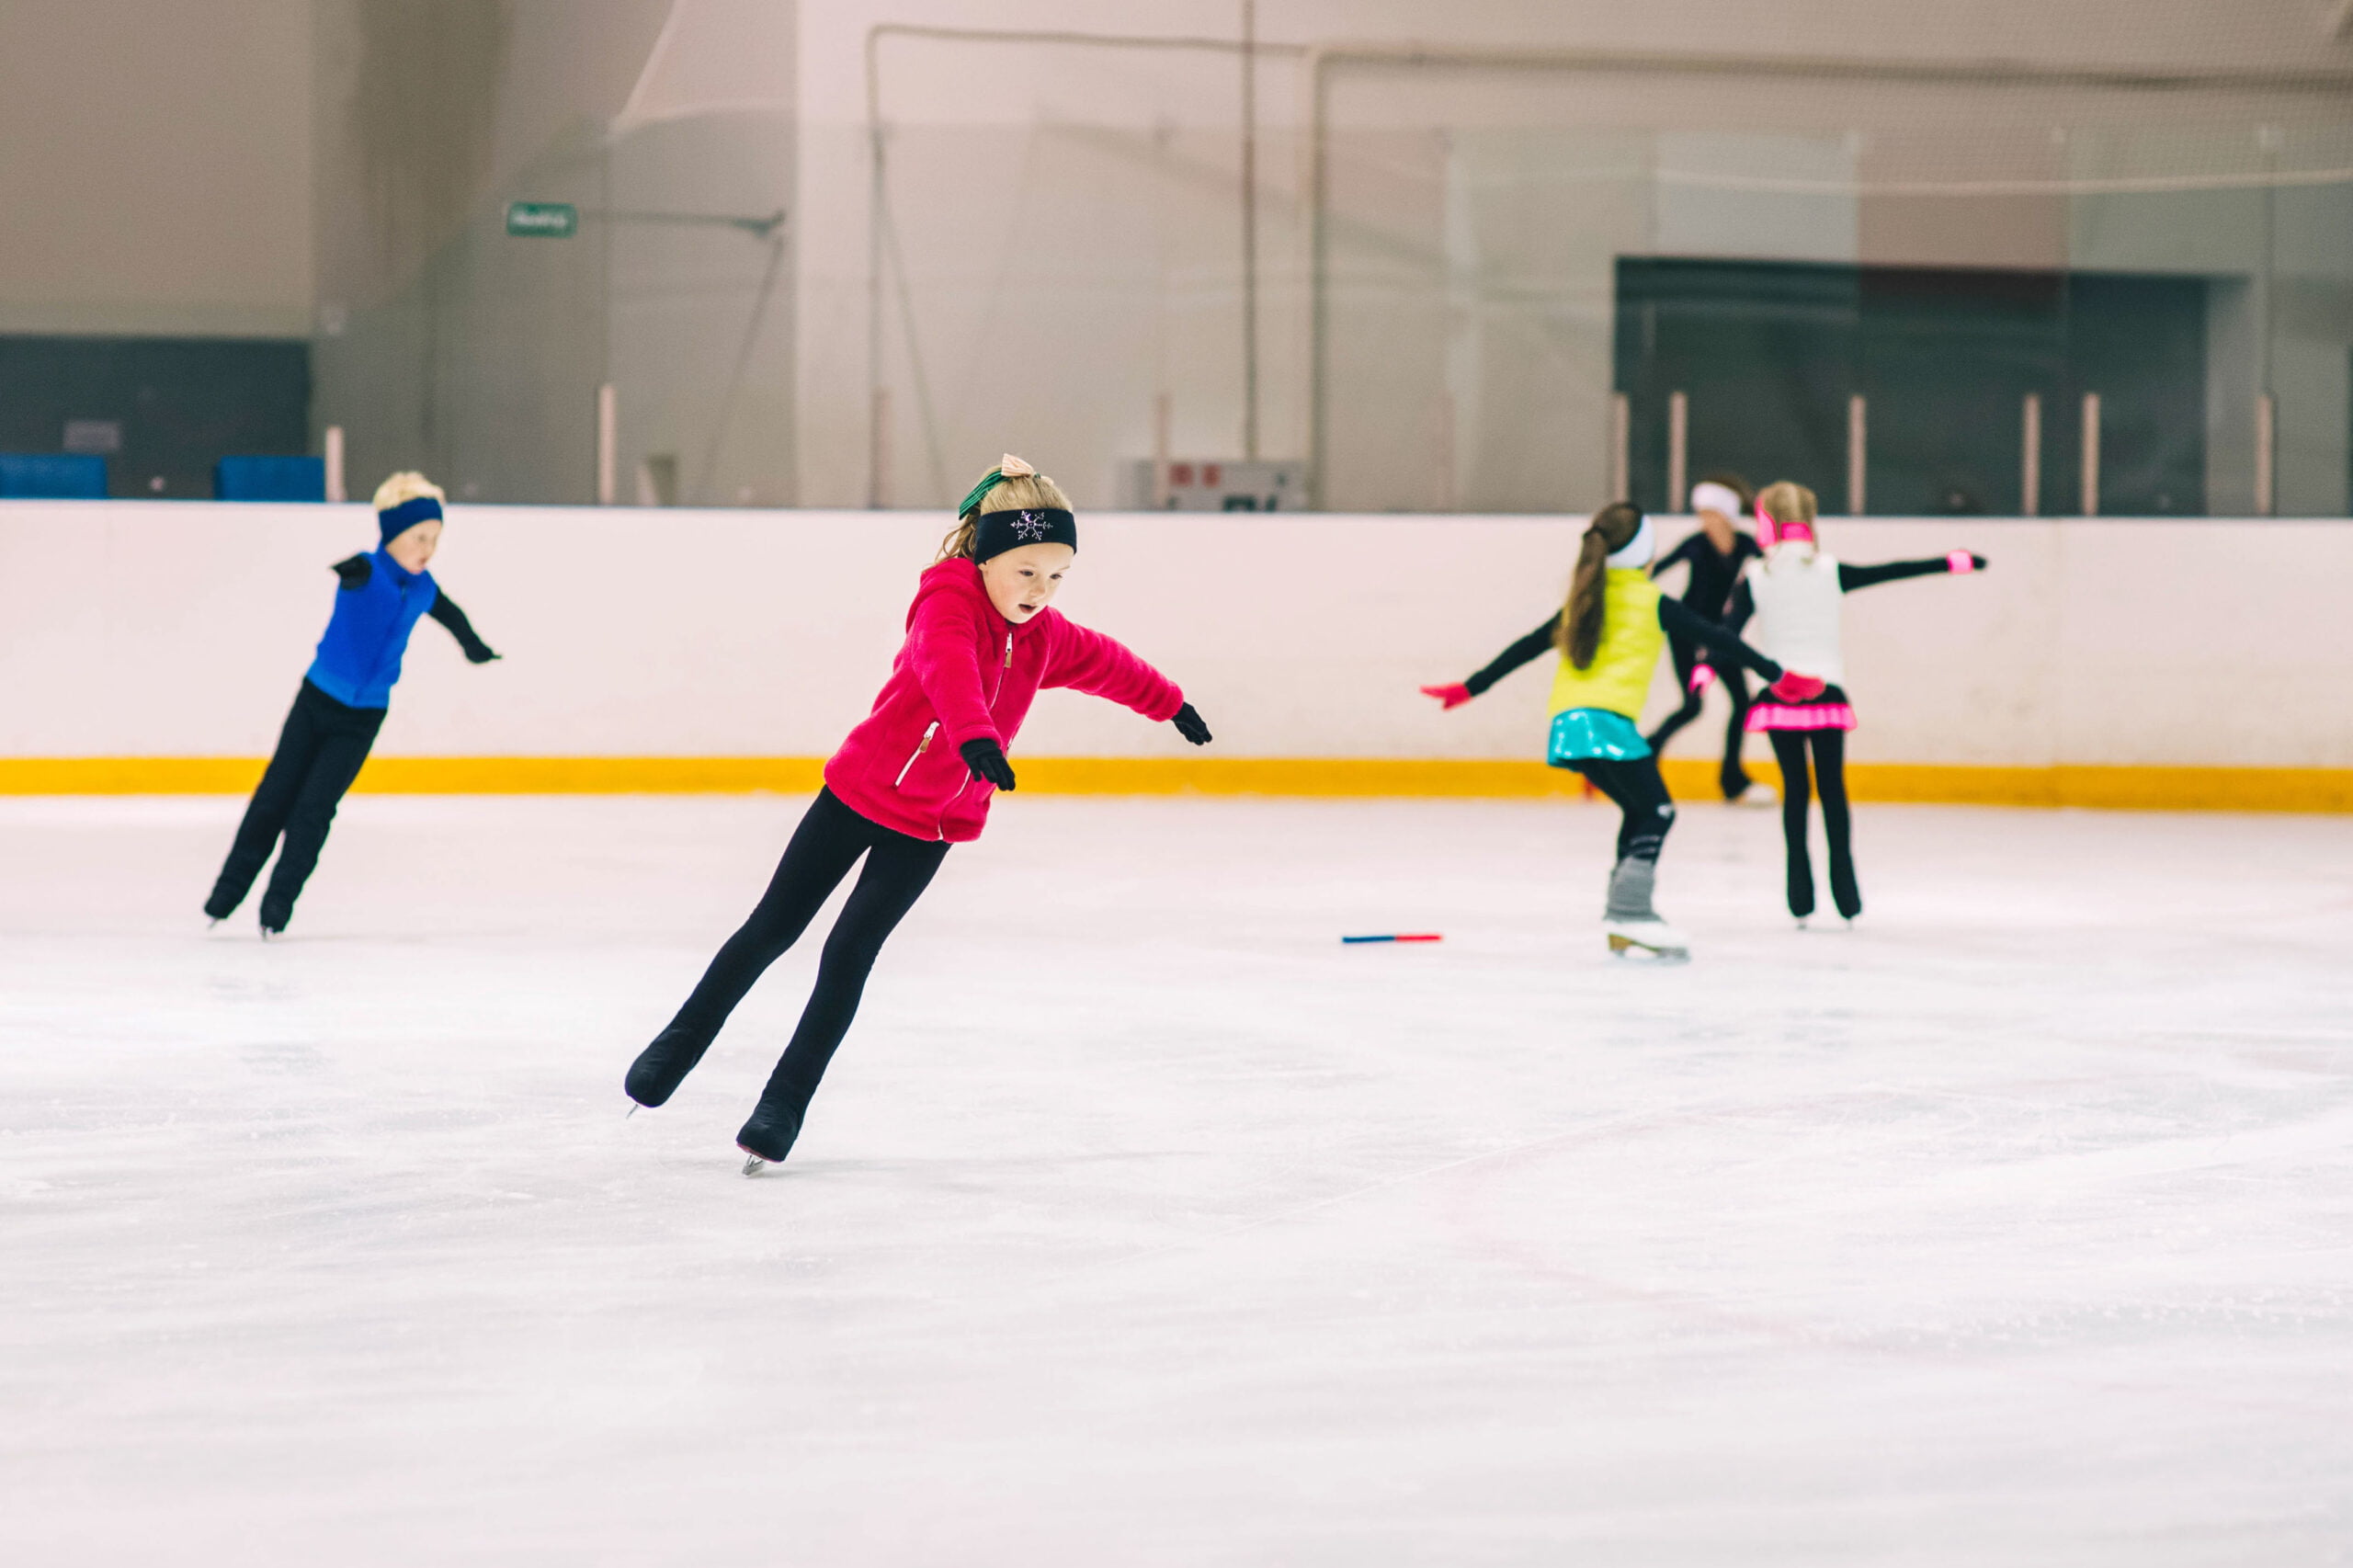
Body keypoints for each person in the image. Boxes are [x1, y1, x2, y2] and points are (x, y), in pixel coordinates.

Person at [625, 455, 1213, 1173]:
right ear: (986, 555)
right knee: (773, 927)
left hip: (931, 825)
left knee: (848, 958)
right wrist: (975, 737)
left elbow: (1109, 663)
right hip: (858, 795)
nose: (1040, 591)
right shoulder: (946, 602)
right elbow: (945, 666)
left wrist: (1171, 703)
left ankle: (782, 1106)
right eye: (1026, 571)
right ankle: (676, 1048)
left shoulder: (1044, 637)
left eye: (1057, 576)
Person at [1419, 502, 1819, 961]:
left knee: (1639, 809)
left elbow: (1527, 646)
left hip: (1570, 726)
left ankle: (1623, 918)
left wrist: (1470, 688)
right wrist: (1778, 675)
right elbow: (1721, 638)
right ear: (1645, 555)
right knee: (1659, 812)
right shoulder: (1651, 601)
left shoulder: (1585, 599)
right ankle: (1630, 913)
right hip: (1604, 724)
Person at [203, 472, 498, 936]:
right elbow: (354, 575)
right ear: (392, 535)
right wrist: (352, 575)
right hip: (316, 700)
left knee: (314, 812)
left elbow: (450, 614)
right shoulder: (366, 570)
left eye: (435, 540)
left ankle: (276, 909)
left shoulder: (423, 588)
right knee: (274, 799)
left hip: (362, 719)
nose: (427, 549)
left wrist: (473, 646)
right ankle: (226, 895)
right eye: (419, 537)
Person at [1728, 481, 1987, 926]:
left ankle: (1800, 896)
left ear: (1766, 522)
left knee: (1795, 791)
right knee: (1832, 792)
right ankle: (1846, 894)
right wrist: (1951, 561)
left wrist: (1705, 669)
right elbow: (1893, 570)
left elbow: (1725, 635)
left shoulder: (1755, 577)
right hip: (1826, 693)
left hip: (1778, 696)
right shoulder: (1830, 570)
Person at [1643, 473, 1771, 804]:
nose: (1705, 521)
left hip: (1720, 636)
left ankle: (1732, 780)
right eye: (1701, 515)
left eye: (1710, 514)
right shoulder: (1695, 545)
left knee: (1743, 703)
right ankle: (1645, 757)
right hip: (1686, 634)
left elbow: (1771, 569)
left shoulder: (1745, 545)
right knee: (1692, 706)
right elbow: (1653, 572)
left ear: (1725, 515)